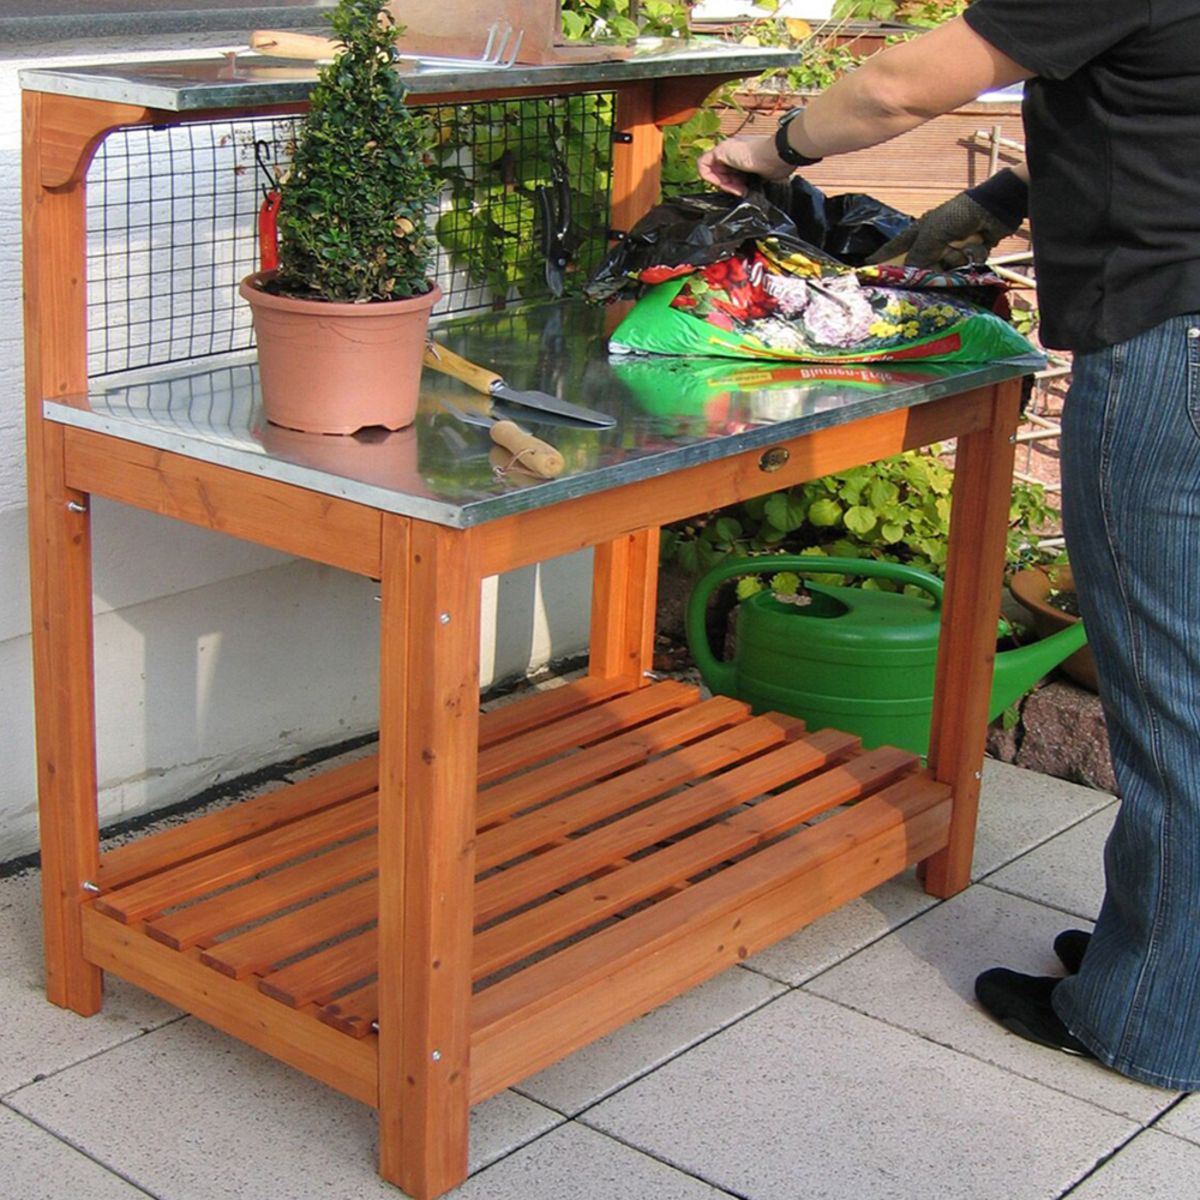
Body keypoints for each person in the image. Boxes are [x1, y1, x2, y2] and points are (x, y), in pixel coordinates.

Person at [698, 3, 1200, 1093]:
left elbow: (900, 85)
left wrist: (769, 149)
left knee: (1174, 700)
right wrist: (1010, 195)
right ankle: (1171, 966)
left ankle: (1150, 1020)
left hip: (1175, 342)